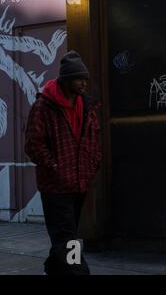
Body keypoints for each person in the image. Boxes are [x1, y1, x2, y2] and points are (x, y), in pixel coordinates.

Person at [25, 50, 101, 275]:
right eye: (80, 79)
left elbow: (94, 138)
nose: (84, 83)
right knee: (67, 237)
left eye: (86, 79)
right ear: (67, 79)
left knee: (64, 235)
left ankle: (54, 267)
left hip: (79, 183)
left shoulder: (86, 107)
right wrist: (55, 168)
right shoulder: (44, 107)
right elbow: (33, 144)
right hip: (56, 185)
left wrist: (92, 164)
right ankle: (79, 271)